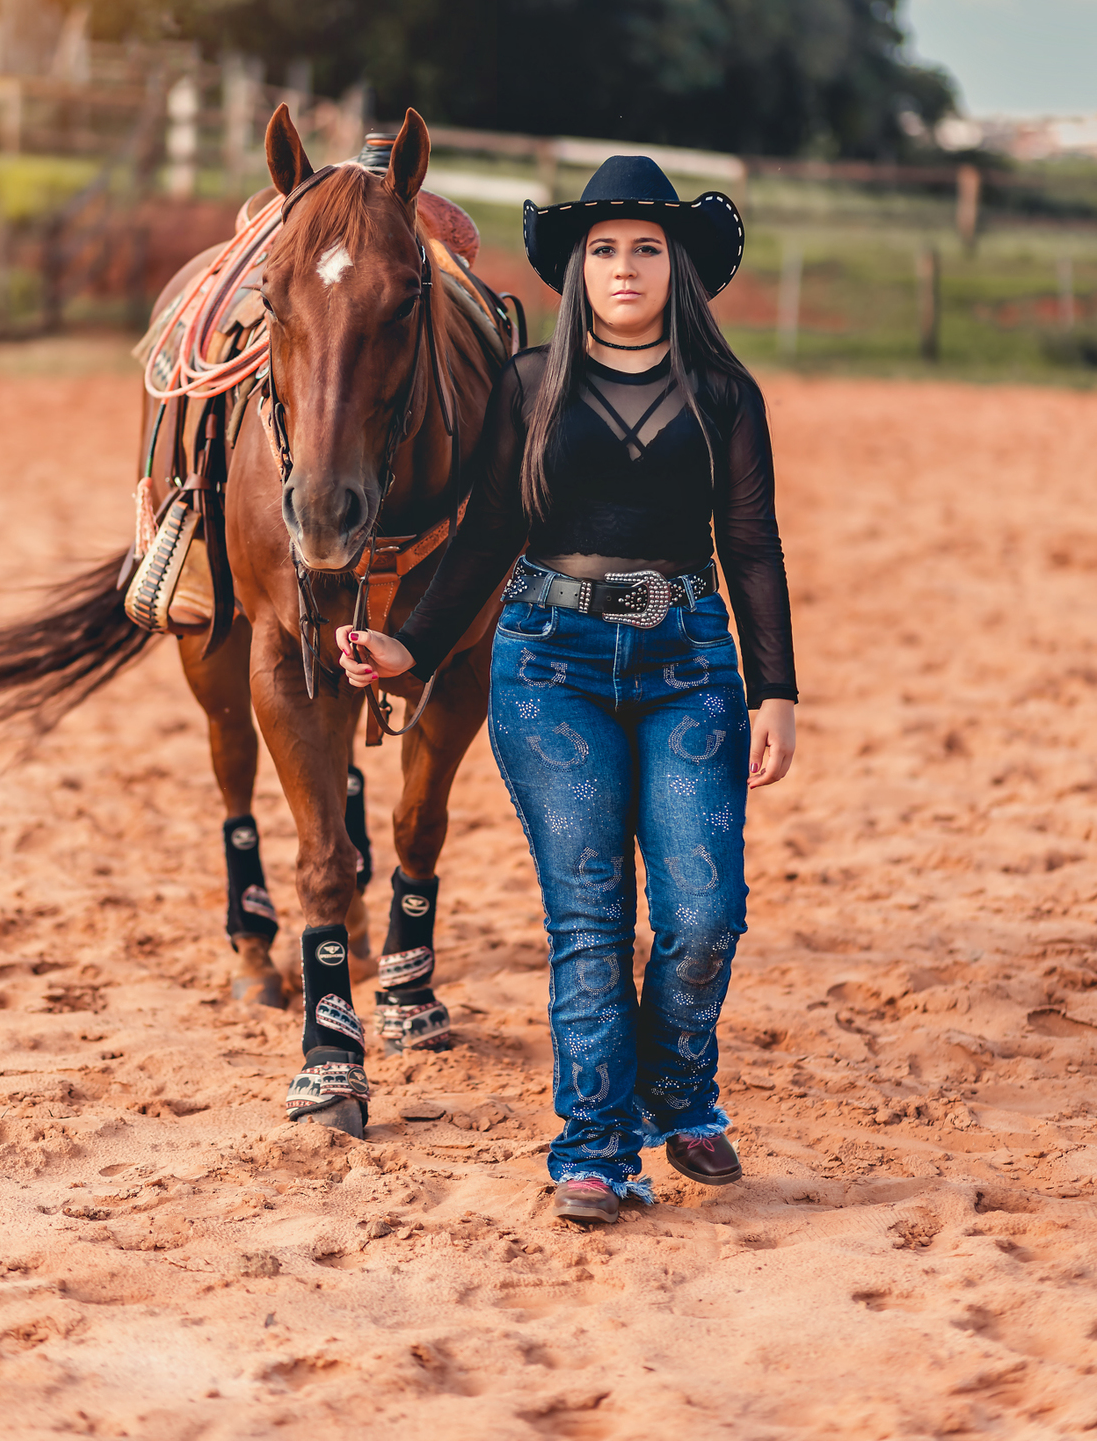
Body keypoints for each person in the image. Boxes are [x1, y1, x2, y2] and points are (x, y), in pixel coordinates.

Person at [336, 156, 797, 1225]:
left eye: (645, 247)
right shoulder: (529, 385)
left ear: (677, 267)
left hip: (692, 659)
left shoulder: (725, 394)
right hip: (549, 661)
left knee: (704, 914)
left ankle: (679, 1089)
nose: (623, 267)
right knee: (591, 921)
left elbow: (753, 544)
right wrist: (410, 644)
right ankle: (595, 1148)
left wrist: (777, 688)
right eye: (603, 250)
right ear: (576, 271)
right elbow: (490, 531)